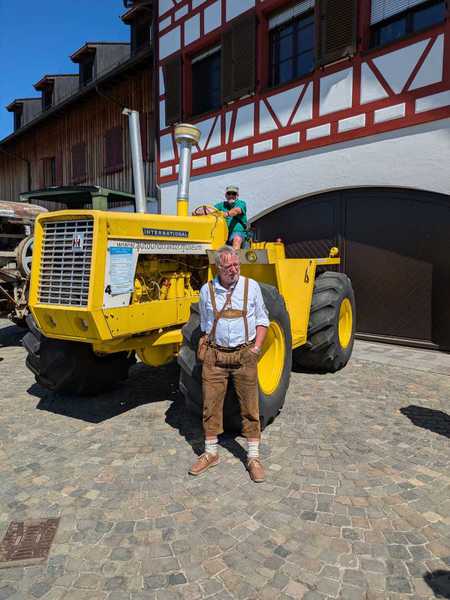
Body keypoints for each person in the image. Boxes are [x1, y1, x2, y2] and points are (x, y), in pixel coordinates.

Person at [189, 246, 269, 483]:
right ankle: (211, 453)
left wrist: (256, 348)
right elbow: (205, 324)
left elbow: (262, 319)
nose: (234, 270)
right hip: (215, 356)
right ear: (218, 268)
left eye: (236, 265)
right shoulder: (207, 290)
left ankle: (253, 457)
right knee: (210, 405)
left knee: (250, 407)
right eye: (228, 267)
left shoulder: (251, 286)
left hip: (245, 354)